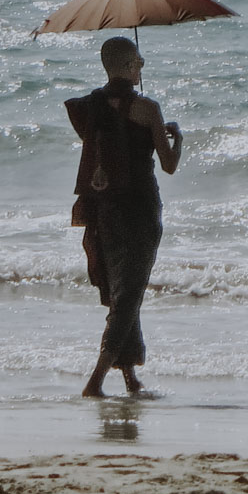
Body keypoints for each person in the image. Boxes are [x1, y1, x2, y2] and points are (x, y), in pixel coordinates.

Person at [64, 36, 182, 397]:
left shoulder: (91, 107)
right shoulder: (147, 109)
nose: (142, 65)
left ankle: (129, 378)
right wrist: (177, 138)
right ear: (129, 67)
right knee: (129, 295)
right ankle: (95, 381)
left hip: (105, 211)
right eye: (138, 61)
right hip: (140, 211)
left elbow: (105, 147)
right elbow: (169, 165)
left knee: (122, 292)